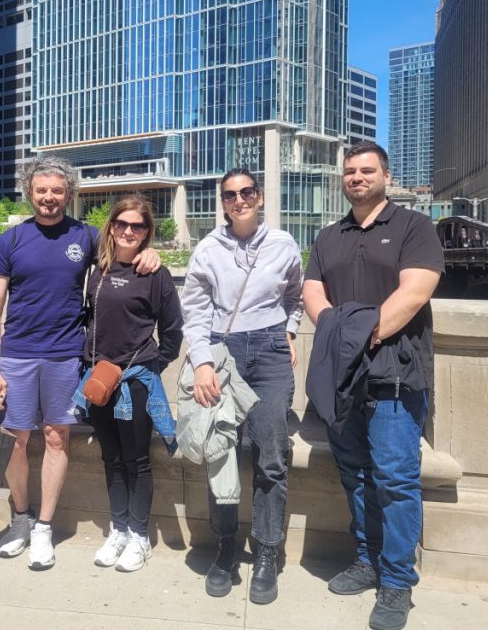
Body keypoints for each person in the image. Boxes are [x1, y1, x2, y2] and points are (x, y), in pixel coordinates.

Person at [0, 156, 160, 570]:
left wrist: (152, 256)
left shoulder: (88, 236)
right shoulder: (11, 241)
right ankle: (21, 520)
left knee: (57, 437)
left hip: (65, 354)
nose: (49, 198)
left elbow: (128, 247)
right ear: (30, 193)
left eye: (57, 191)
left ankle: (44, 527)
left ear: (69, 194)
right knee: (16, 441)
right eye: (41, 190)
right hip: (17, 354)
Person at [302, 141, 444, 630]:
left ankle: (397, 581)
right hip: (344, 379)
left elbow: (415, 292)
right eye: (349, 172)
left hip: (396, 377)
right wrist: (343, 343)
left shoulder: (414, 227)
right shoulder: (328, 235)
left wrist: (355, 336)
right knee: (355, 474)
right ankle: (367, 559)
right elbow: (312, 293)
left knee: (396, 480)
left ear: (386, 175)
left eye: (366, 170)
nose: (356, 177)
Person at [179, 168, 303, 605]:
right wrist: (201, 362)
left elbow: (294, 295)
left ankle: (267, 552)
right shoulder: (208, 249)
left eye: (246, 192)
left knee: (270, 453)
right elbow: (193, 311)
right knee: (221, 453)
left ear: (260, 196)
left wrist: (289, 331)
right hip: (223, 352)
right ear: (222, 201)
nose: (239, 200)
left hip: (269, 351)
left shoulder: (284, 244)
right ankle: (226, 547)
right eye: (230, 194)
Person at [74, 195, 183, 573]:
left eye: (138, 226)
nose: (129, 231)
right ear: (112, 226)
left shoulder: (154, 274)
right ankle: (118, 528)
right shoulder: (98, 270)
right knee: (112, 459)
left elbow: (173, 331)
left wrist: (151, 366)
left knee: (137, 461)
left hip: (136, 380)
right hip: (99, 379)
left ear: (147, 232)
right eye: (123, 224)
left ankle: (139, 535)